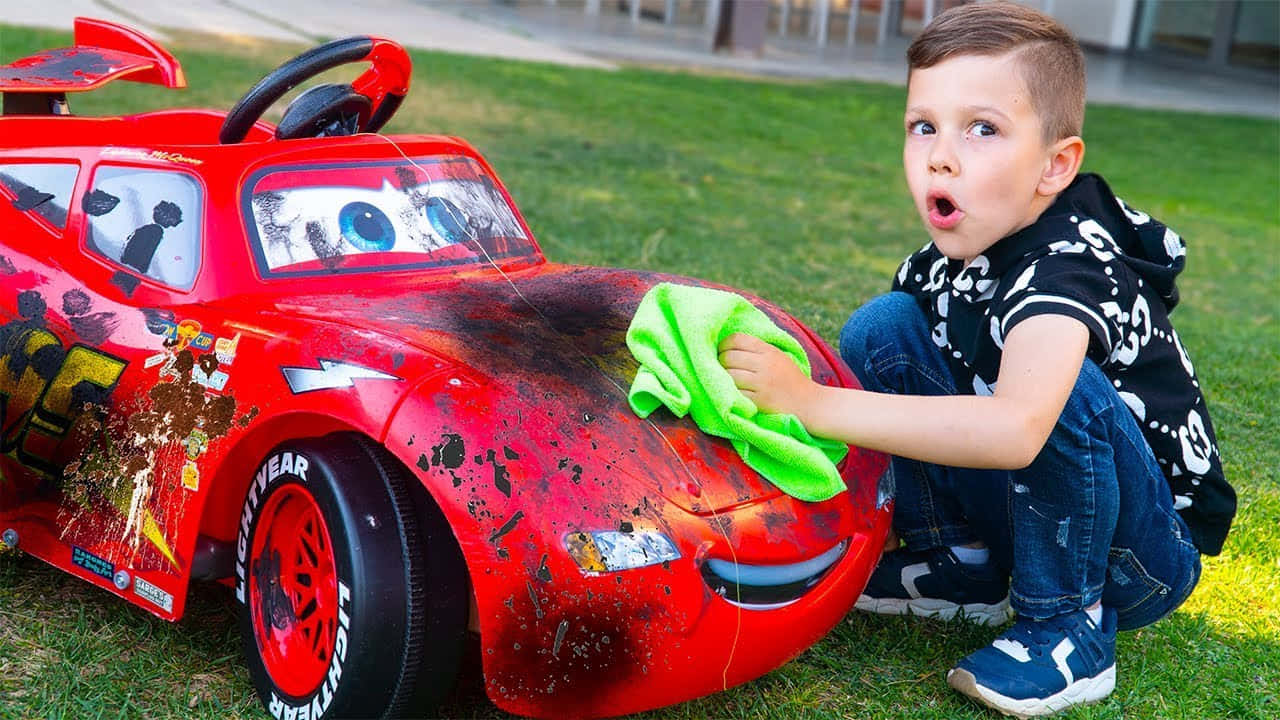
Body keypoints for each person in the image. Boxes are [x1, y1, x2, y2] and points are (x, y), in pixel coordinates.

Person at [717, 2, 1235, 717]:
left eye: (982, 129)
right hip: (1030, 510)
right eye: (923, 126)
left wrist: (810, 402)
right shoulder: (958, 250)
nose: (941, 155)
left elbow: (1018, 429)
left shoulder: (1067, 266)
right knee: (886, 327)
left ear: (1056, 165)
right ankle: (959, 564)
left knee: (1060, 392)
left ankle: (1069, 628)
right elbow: (911, 378)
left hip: (1135, 554)